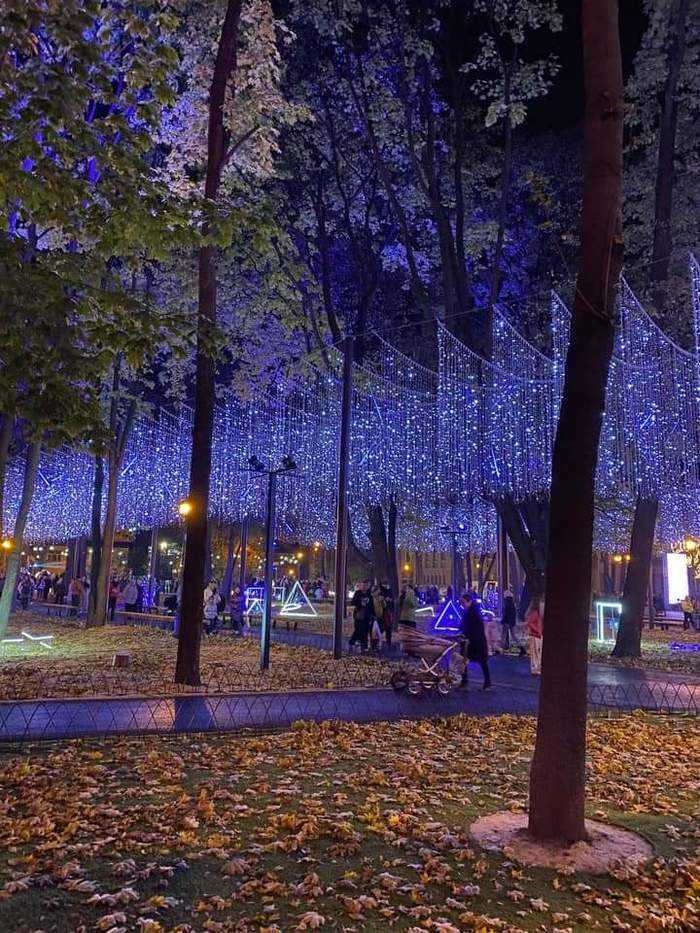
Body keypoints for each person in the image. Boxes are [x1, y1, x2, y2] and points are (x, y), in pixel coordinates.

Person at [459, 591, 492, 691]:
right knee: (469, 661)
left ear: (468, 601)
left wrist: (465, 636)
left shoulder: (473, 612)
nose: (462, 604)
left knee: (475, 661)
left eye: (463, 602)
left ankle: (467, 683)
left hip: (474, 642)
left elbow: (473, 628)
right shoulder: (471, 611)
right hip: (473, 641)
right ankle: (467, 682)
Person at [349, 580, 373, 652]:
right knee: (358, 629)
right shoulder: (358, 593)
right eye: (363, 585)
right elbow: (353, 602)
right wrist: (360, 604)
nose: (364, 587)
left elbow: (371, 605)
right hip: (359, 614)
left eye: (366, 585)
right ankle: (352, 642)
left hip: (367, 615)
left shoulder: (369, 594)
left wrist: (372, 615)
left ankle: (364, 646)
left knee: (365, 630)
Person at [501, 588, 526, 656]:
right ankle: (522, 648)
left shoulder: (506, 604)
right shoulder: (512, 603)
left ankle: (502, 649)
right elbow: (513, 614)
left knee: (503, 635)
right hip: (512, 622)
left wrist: (503, 621)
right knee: (514, 636)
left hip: (506, 622)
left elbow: (506, 614)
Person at [525, 598, 543, 675]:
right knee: (535, 652)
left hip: (538, 634)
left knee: (537, 651)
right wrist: (537, 630)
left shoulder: (537, 613)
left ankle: (537, 667)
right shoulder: (535, 612)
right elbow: (530, 623)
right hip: (535, 635)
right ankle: (535, 668)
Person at [370, 584, 386, 652]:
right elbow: (371, 607)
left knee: (380, 631)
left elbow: (384, 606)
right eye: (378, 591)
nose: (379, 592)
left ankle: (377, 645)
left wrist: (382, 601)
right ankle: (374, 645)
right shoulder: (372, 598)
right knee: (374, 632)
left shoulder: (380, 597)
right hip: (374, 617)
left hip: (380, 616)